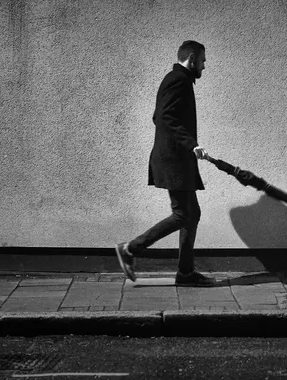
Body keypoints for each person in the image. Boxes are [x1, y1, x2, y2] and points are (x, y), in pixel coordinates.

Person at [115, 40, 216, 287]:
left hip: (177, 159)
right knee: (183, 214)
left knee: (192, 214)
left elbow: (156, 116)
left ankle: (185, 273)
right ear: (192, 58)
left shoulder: (175, 80)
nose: (205, 65)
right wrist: (190, 143)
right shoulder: (178, 80)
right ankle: (130, 249)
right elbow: (164, 117)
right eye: (203, 60)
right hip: (175, 161)